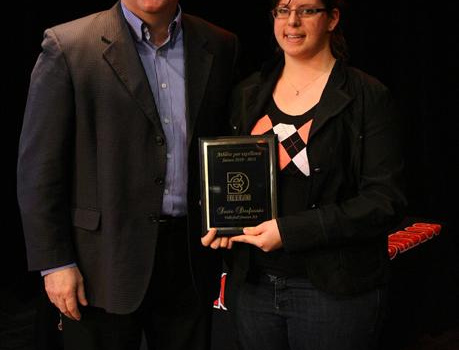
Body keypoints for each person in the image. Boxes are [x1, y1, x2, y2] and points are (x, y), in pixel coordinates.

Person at [17, 1, 239, 349]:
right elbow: (39, 169)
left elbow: (227, 141)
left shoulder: (220, 43)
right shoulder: (68, 45)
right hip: (100, 263)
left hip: (190, 261)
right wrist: (55, 262)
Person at [201, 0, 407, 349]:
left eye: (307, 10)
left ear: (332, 18)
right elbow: (230, 177)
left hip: (334, 293)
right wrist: (222, 219)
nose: (292, 21)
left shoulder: (367, 96)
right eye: (283, 10)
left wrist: (290, 231)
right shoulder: (247, 93)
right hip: (254, 288)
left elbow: (385, 201)